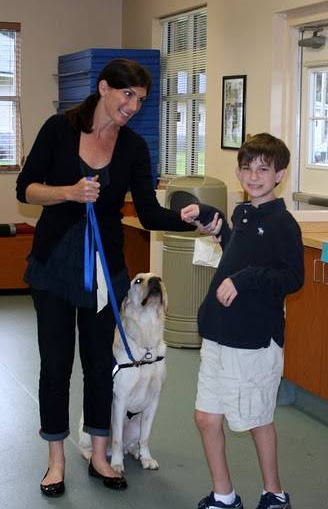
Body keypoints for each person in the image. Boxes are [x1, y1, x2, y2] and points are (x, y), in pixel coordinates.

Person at [16, 58, 197, 497]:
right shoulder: (58, 130)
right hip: (55, 267)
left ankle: (100, 455)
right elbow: (25, 188)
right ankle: (56, 461)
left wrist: (187, 218)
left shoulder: (134, 146)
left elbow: (149, 211)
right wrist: (69, 193)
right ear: (103, 88)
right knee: (56, 368)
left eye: (140, 99)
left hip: (106, 272)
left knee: (101, 367)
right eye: (127, 95)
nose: (132, 106)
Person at [181, 133, 304, 509]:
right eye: (247, 168)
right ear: (238, 172)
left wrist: (246, 278)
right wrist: (217, 230)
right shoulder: (244, 213)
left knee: (256, 418)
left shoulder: (283, 223)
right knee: (206, 416)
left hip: (253, 340)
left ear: (279, 174)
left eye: (263, 169)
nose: (254, 176)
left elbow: (291, 277)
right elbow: (240, 250)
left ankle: (274, 494)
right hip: (220, 333)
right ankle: (224, 495)